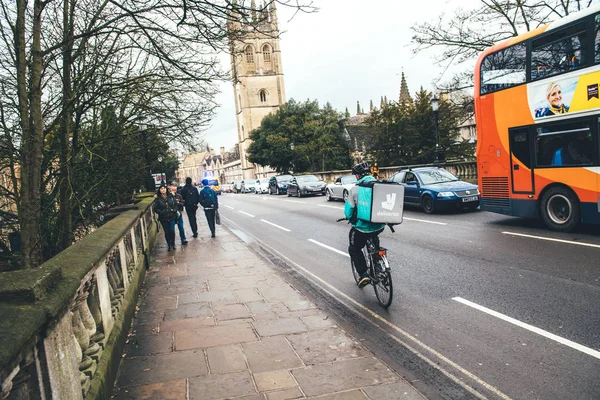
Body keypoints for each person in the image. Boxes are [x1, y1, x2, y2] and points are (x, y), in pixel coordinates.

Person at [344, 162, 386, 288]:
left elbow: (349, 210)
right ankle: (379, 264)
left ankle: (363, 274)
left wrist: (350, 218)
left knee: (354, 248)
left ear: (357, 176)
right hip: (379, 225)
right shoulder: (380, 185)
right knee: (374, 238)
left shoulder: (355, 189)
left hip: (362, 228)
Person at [153, 184, 177, 251]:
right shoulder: (157, 199)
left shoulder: (171, 196)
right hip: (163, 218)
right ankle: (169, 245)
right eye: (161, 189)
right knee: (167, 232)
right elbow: (155, 208)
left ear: (166, 189)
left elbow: (175, 204)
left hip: (171, 216)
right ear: (159, 190)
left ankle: (173, 243)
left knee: (172, 230)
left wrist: (174, 210)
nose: (163, 190)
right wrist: (161, 212)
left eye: (164, 188)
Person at [168, 181, 188, 245]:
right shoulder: (168, 196)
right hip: (171, 215)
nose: (174, 190)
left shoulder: (179, 196)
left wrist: (178, 203)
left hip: (178, 214)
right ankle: (172, 242)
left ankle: (183, 239)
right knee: (171, 229)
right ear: (170, 189)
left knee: (181, 227)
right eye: (173, 189)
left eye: (175, 189)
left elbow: (182, 203)